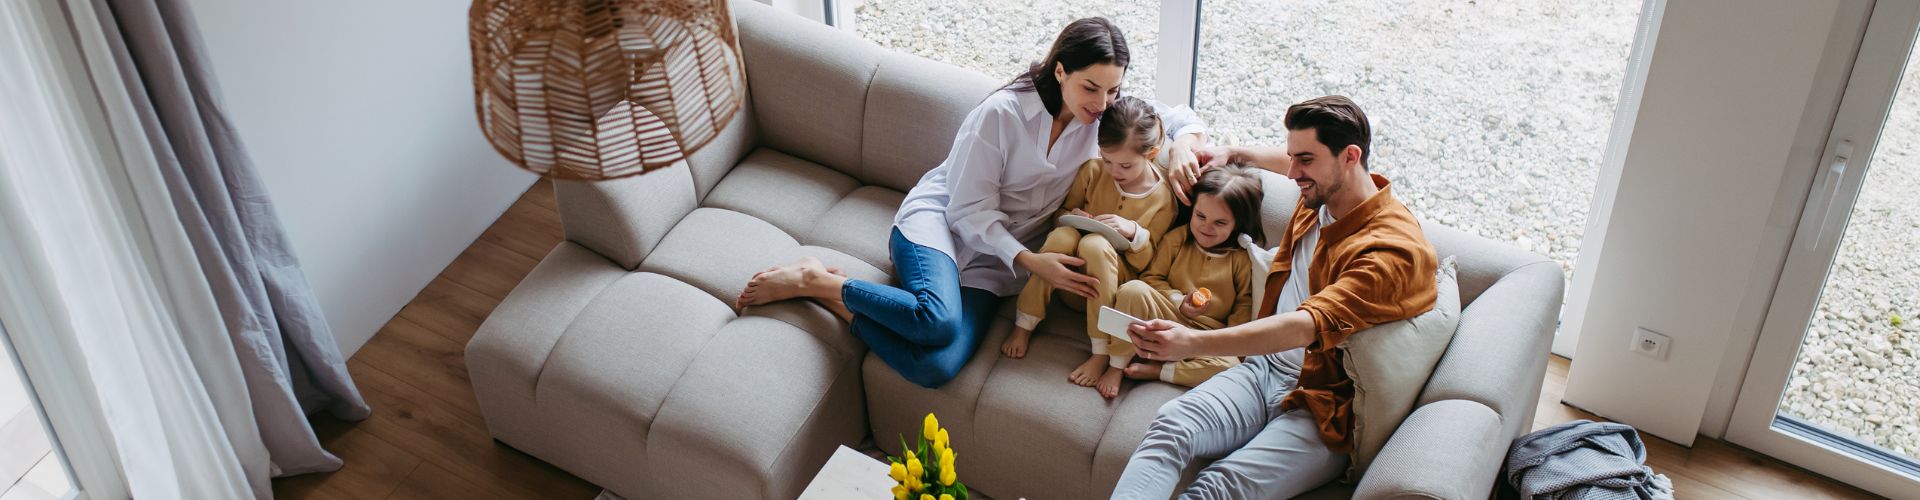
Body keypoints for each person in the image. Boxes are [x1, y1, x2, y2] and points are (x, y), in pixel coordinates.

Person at [733, 18, 1208, 389]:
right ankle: (815, 278)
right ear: (1060, 69)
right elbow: (967, 211)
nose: (1103, 102)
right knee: (936, 319)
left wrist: (1186, 141)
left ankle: (829, 291)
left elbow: (1176, 116)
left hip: (998, 263)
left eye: (1114, 90)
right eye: (1091, 88)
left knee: (936, 366)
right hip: (941, 226)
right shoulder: (1001, 114)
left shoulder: (1100, 120)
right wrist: (1033, 262)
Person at [1112, 96, 1439, 498]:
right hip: (1263, 370)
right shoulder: (1326, 192)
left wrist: (1190, 343)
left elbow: (1305, 326)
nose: (1292, 173)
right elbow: (1291, 161)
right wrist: (1236, 152)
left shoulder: (1390, 252)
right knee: (1169, 428)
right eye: (1290, 157)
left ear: (1350, 156)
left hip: (1321, 406)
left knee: (1219, 486)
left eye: (1304, 160)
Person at [999, 96, 1179, 388]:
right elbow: (1060, 215)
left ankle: (1100, 352)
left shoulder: (1162, 199)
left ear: (1151, 154)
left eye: (1125, 165)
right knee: (1063, 235)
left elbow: (1149, 266)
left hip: (1109, 293)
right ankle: (1025, 323)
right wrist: (1075, 216)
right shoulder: (1093, 171)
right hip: (1069, 279)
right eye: (1107, 160)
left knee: (1095, 244)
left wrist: (1133, 231)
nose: (1114, 171)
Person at [1100, 165, 1264, 400]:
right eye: (1201, 216)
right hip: (1167, 316)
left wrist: (1228, 342)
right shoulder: (1178, 239)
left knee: (1232, 365)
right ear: (1193, 210)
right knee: (1133, 290)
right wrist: (1179, 301)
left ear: (1237, 223)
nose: (1206, 227)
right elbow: (1151, 278)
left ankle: (1162, 371)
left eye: (1220, 223)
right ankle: (1116, 365)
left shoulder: (1241, 260)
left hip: (1203, 337)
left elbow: (1243, 307)